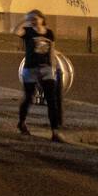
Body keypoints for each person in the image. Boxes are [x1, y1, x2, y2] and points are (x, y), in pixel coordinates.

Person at [16, 9, 63, 142]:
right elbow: (15, 31)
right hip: (30, 69)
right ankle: (21, 122)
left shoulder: (49, 33)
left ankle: (55, 131)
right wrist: (24, 20)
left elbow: (52, 50)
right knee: (28, 97)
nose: (34, 20)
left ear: (42, 18)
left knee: (51, 100)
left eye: (36, 18)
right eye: (31, 18)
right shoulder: (28, 32)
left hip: (46, 69)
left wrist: (53, 66)